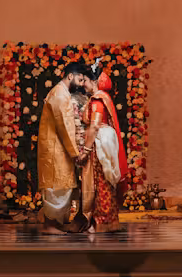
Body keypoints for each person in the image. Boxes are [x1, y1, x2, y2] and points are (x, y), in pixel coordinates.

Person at [38, 61, 96, 234]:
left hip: (58, 147)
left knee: (62, 185)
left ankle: (54, 223)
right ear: (70, 76)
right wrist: (76, 152)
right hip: (56, 148)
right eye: (79, 79)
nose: (80, 84)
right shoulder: (60, 95)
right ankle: (49, 225)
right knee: (56, 187)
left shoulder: (60, 92)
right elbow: (65, 125)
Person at [80, 69, 127, 234]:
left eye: (84, 80)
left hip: (98, 146)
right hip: (99, 144)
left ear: (93, 81)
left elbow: (94, 126)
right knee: (102, 182)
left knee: (100, 182)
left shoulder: (98, 101)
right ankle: (103, 220)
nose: (82, 84)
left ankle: (102, 220)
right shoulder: (99, 99)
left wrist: (85, 150)